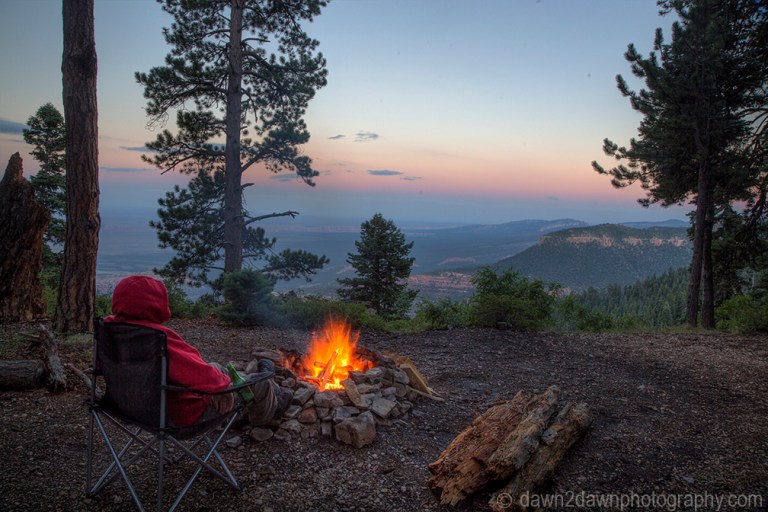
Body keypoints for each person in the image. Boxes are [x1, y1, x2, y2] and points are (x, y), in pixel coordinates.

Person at [105, 275, 279, 427]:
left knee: (215, 367)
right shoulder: (156, 338)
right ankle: (261, 420)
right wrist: (223, 386)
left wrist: (220, 379)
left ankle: (263, 396)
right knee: (261, 383)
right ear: (156, 304)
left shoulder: (109, 331)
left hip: (131, 409)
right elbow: (196, 373)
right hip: (179, 416)